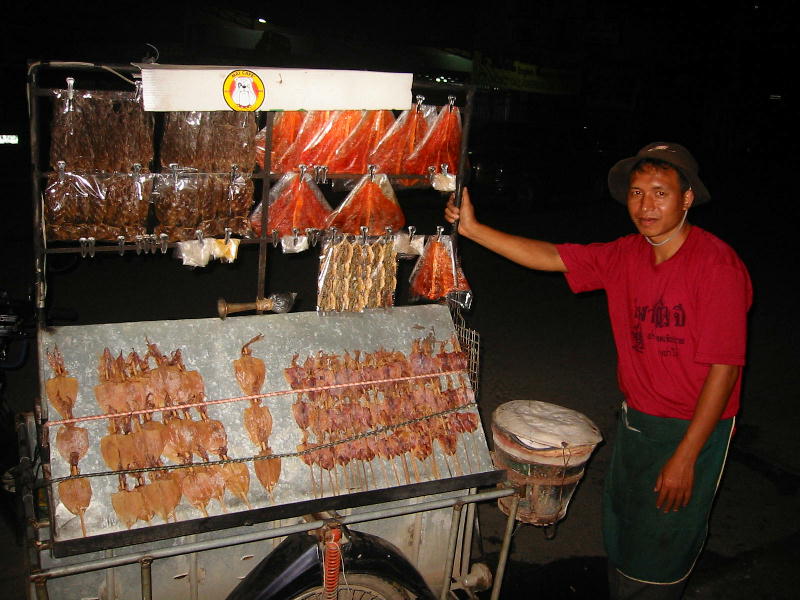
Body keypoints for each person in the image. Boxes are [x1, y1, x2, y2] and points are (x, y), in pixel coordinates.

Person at [445, 142, 752, 599]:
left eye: (660, 192)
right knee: (626, 528)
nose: (646, 205)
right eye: (636, 192)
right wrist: (473, 230)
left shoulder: (716, 266)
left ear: (687, 198)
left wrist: (686, 456)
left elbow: (724, 370)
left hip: (693, 429)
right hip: (636, 420)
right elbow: (552, 257)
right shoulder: (627, 253)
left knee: (664, 544)